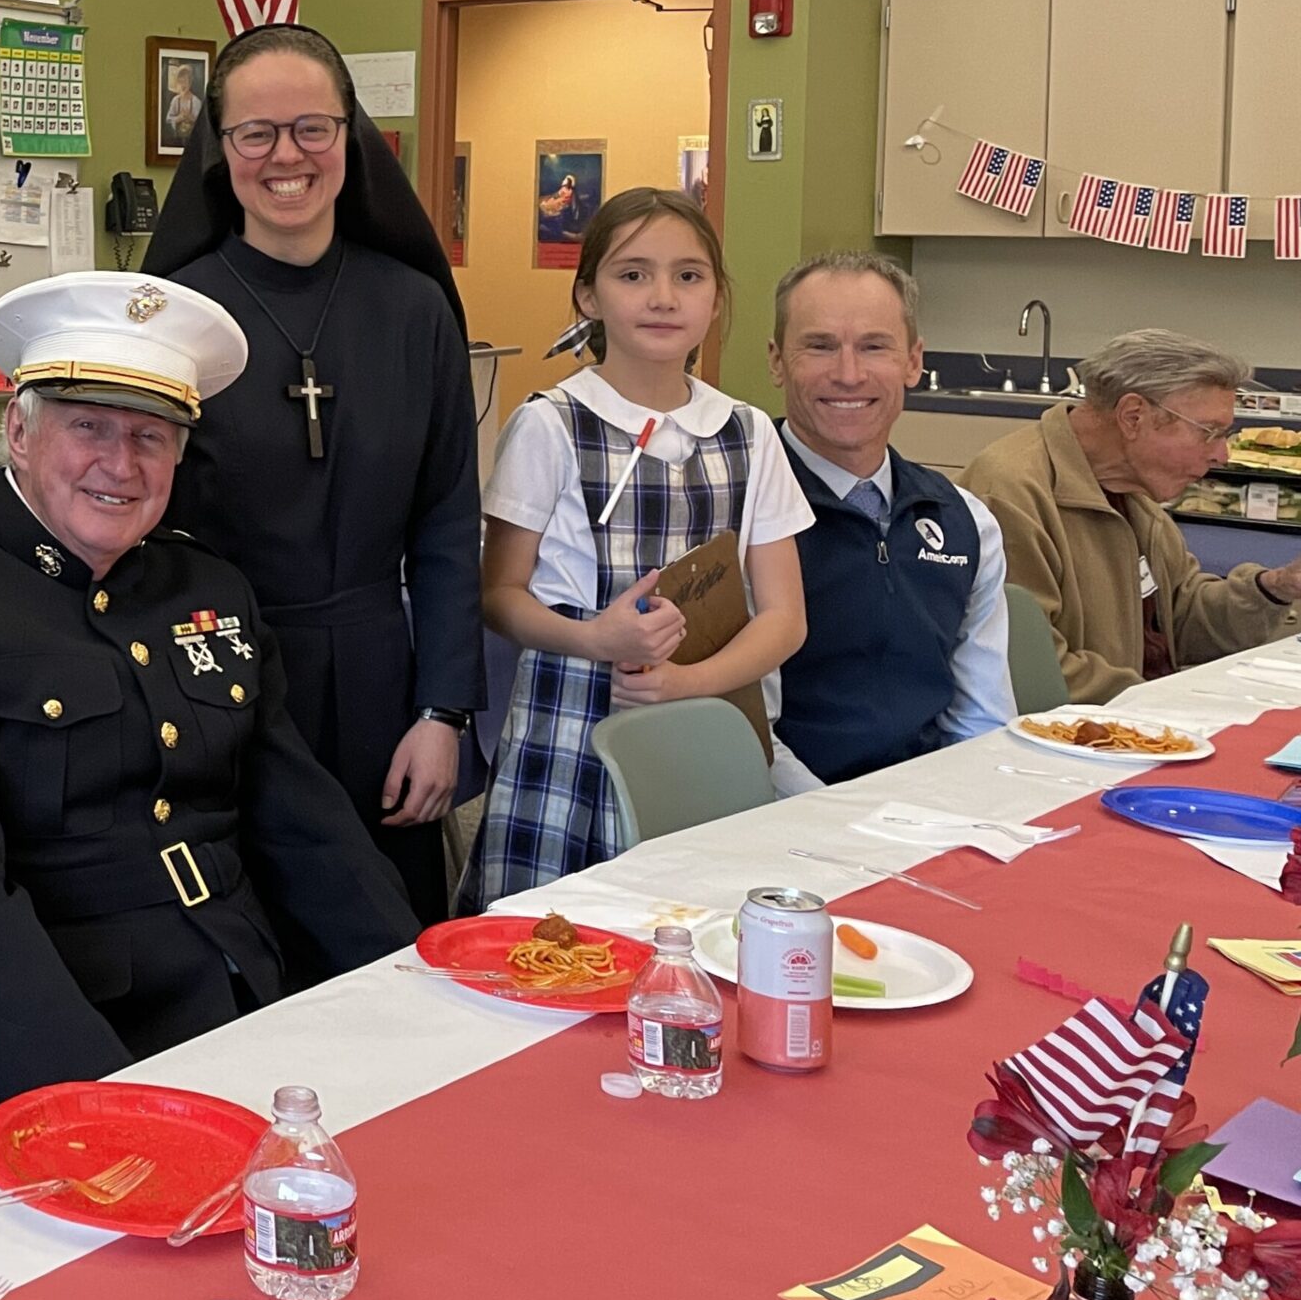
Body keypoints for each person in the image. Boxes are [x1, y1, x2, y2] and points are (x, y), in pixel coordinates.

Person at [0, 271, 420, 1162]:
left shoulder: (207, 587)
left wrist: (409, 984)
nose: (122, 464)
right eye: (88, 427)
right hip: (47, 1048)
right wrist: (100, 1105)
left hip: (239, 1001)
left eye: (152, 436)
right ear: (18, 432)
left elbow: (302, 821)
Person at [144, 23, 482, 923]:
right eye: (256, 133)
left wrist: (443, 713)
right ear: (221, 149)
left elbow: (448, 521)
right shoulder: (176, 320)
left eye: (312, 129)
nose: (285, 156)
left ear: (350, 137)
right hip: (220, 680)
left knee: (386, 935)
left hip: (383, 685)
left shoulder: (415, 311)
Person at [463, 189, 810, 908]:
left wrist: (688, 682)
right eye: (632, 275)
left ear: (717, 300)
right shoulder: (552, 424)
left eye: (689, 276)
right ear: (588, 295)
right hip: (570, 732)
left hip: (706, 725)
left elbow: (784, 617)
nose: (662, 297)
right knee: (556, 940)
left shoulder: (747, 432)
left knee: (693, 931)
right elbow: (499, 596)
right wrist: (595, 637)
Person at [766, 252, 1015, 786]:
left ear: (913, 361)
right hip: (782, 819)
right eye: (820, 346)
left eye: (874, 347)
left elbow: (982, 720)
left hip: (926, 816)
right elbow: (748, 735)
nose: (848, 374)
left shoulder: (966, 522)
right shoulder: (737, 510)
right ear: (776, 361)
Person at [962, 327, 1301, 702]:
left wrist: (1277, 586)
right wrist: (1171, 706)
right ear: (1133, 416)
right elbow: (1030, 672)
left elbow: (1182, 620)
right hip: (1074, 743)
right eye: (1210, 432)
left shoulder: (1131, 493)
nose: (1222, 455)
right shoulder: (1010, 494)